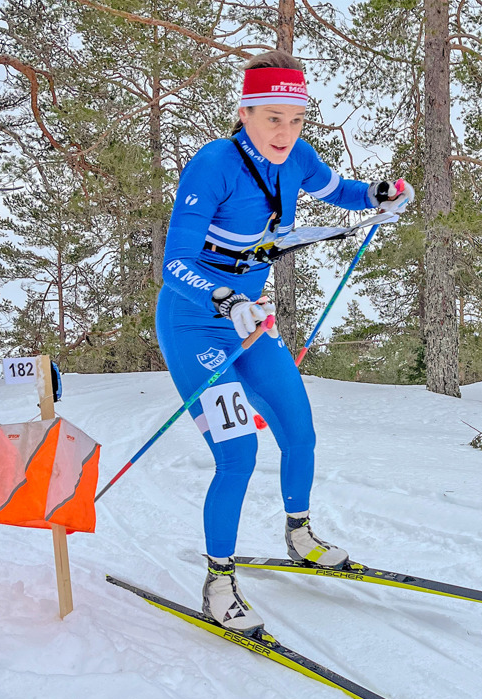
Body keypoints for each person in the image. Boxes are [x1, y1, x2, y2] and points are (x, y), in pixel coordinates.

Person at [157, 51, 413, 633]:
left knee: (299, 430)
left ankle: (299, 535)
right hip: (195, 323)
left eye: (296, 119)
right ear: (245, 111)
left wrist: (378, 192)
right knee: (239, 453)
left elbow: (338, 190)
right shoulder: (213, 165)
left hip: (251, 327)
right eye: (273, 118)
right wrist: (225, 299)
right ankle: (218, 578)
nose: (285, 132)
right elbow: (174, 264)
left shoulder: (297, 156)